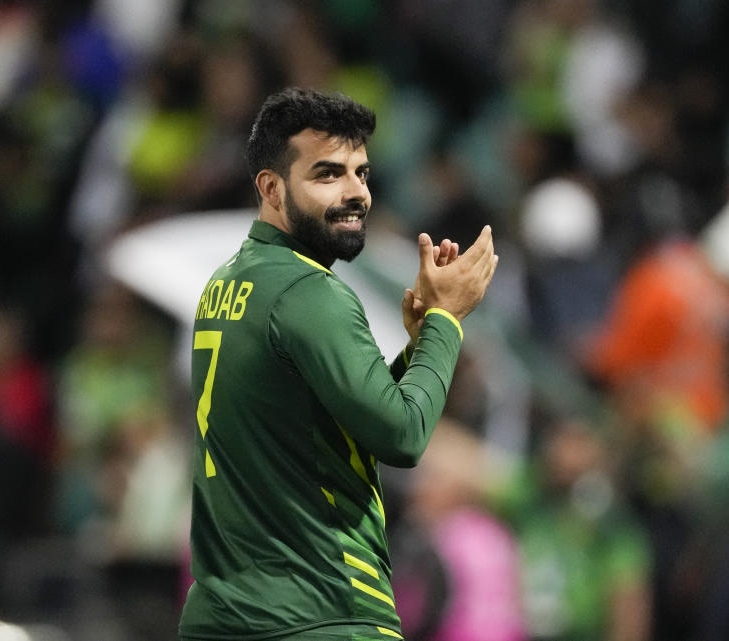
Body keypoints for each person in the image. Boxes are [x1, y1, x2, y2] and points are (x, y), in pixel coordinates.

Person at [178, 87, 499, 641]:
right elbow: (401, 436)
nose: (357, 194)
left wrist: (419, 344)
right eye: (328, 174)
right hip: (320, 611)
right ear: (271, 187)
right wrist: (447, 321)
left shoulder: (226, 283)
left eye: (362, 174)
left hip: (224, 616)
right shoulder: (309, 291)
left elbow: (336, 422)